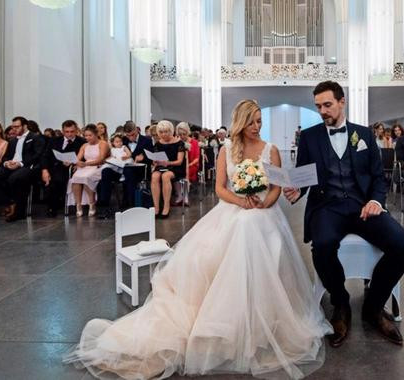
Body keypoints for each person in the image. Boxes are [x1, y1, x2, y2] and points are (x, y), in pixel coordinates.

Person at [65, 99, 331, 380]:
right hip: (233, 208)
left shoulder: (271, 150)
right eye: (252, 121)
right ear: (240, 122)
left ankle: (260, 313)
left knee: (252, 228)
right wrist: (241, 203)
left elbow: (276, 186)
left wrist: (265, 203)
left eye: (259, 121)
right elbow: (220, 189)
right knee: (237, 232)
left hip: (265, 212)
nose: (257, 126)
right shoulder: (227, 150)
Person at [283, 80, 404, 347]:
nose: (323, 111)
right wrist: (298, 190)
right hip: (327, 206)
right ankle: (340, 303)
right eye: (318, 106)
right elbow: (304, 175)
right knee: (323, 245)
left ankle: (374, 306)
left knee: (402, 244)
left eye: (328, 105)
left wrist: (377, 201)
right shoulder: (309, 137)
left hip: (362, 206)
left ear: (342, 102)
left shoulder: (364, 135)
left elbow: (378, 177)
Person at [0, 116, 46, 222]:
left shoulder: (35, 137)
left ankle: (19, 212)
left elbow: (37, 155)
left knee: (14, 178)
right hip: (11, 166)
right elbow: (6, 156)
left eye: (17, 127)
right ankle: (10, 202)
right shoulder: (13, 141)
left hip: (27, 167)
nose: (14, 129)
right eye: (13, 127)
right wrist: (7, 162)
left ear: (25, 126)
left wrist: (20, 164)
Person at [97, 121, 153, 218]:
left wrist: (143, 157)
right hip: (119, 168)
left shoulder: (146, 140)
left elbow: (151, 157)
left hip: (138, 171)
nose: (131, 137)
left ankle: (130, 204)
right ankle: (104, 206)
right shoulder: (123, 140)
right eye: (128, 135)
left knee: (128, 171)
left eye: (133, 135)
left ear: (136, 130)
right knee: (105, 172)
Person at [41, 120, 85, 217]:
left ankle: (56, 204)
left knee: (57, 179)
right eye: (67, 132)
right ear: (63, 131)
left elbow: (85, 158)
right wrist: (44, 170)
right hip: (54, 167)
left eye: (72, 131)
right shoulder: (54, 140)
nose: (69, 134)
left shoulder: (82, 142)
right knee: (49, 179)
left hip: (72, 169)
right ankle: (52, 205)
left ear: (76, 131)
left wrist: (75, 163)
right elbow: (45, 156)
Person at [68, 124, 109, 217]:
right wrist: (72, 162)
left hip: (97, 166)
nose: (87, 138)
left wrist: (86, 164)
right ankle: (78, 204)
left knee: (87, 177)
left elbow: (101, 159)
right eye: (86, 136)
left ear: (96, 134)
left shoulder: (103, 144)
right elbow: (77, 158)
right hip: (85, 166)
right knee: (75, 177)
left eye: (90, 135)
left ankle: (92, 203)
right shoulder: (84, 145)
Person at [150, 120, 186, 219]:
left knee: (166, 176)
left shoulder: (179, 143)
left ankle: (166, 206)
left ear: (171, 131)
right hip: (161, 167)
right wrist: (155, 161)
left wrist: (168, 163)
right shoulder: (158, 144)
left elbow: (179, 161)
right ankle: (156, 207)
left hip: (175, 168)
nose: (163, 134)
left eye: (166, 132)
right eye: (161, 132)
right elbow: (155, 158)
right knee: (155, 176)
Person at [174, 122, 199, 207]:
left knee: (186, 172)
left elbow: (197, 158)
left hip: (191, 165)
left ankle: (185, 196)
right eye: (180, 134)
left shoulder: (194, 142)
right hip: (179, 164)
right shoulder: (176, 141)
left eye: (184, 134)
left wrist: (189, 164)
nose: (182, 136)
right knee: (175, 171)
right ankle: (180, 195)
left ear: (187, 133)